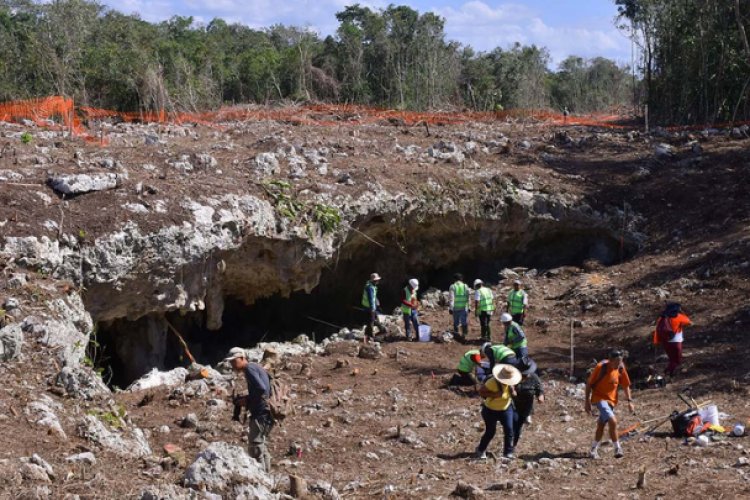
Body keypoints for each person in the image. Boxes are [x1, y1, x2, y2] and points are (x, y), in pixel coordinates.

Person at [226, 347, 274, 471]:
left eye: (234, 361)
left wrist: (246, 400)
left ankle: (262, 478)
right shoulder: (255, 367)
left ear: (242, 358)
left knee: (255, 446)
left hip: (261, 412)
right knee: (261, 446)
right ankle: (267, 475)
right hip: (266, 412)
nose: (232, 364)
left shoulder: (249, 369)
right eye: (230, 362)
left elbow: (261, 389)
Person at [584, 350, 634, 459]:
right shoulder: (600, 367)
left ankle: (593, 450)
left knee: (601, 425)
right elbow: (589, 384)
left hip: (611, 400)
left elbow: (625, 385)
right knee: (613, 421)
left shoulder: (621, 368)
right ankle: (617, 448)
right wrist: (587, 401)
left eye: (620, 361)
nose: (618, 364)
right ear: (610, 361)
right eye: (616, 361)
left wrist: (629, 401)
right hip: (599, 398)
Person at [475, 363, 522, 459]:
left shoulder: (511, 380)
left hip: (506, 409)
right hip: (490, 410)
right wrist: (494, 395)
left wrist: (513, 391)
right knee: (490, 432)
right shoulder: (492, 382)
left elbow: (513, 390)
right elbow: (481, 392)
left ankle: (508, 452)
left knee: (509, 430)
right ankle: (481, 449)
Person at [653, 302, 692, 377]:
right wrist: (682, 312)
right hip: (676, 342)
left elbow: (658, 329)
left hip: (665, 341)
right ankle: (669, 373)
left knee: (671, 359)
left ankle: (668, 373)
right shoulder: (679, 316)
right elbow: (689, 321)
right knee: (677, 360)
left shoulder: (662, 317)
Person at [512, 358, 544, 448]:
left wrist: (540, 395)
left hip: (526, 407)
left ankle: (512, 445)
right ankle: (509, 443)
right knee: (512, 425)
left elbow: (539, 387)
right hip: (513, 405)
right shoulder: (513, 377)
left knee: (518, 427)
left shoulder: (534, 377)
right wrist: (512, 390)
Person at [362, 273, 387, 342]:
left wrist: (377, 304)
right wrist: (373, 309)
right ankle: (371, 335)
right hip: (369, 307)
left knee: (371, 320)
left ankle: (370, 334)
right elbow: (370, 299)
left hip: (368, 306)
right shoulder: (370, 287)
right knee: (371, 321)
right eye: (376, 280)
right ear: (373, 280)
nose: (378, 281)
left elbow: (374, 297)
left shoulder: (372, 286)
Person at [449, 273, 471, 341]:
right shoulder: (465, 286)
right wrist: (469, 306)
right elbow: (468, 297)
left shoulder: (453, 286)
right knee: (464, 322)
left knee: (456, 322)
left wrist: (451, 308)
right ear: (461, 279)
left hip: (455, 308)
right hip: (464, 307)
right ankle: (464, 335)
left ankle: (456, 335)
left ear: (454, 279)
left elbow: (451, 298)